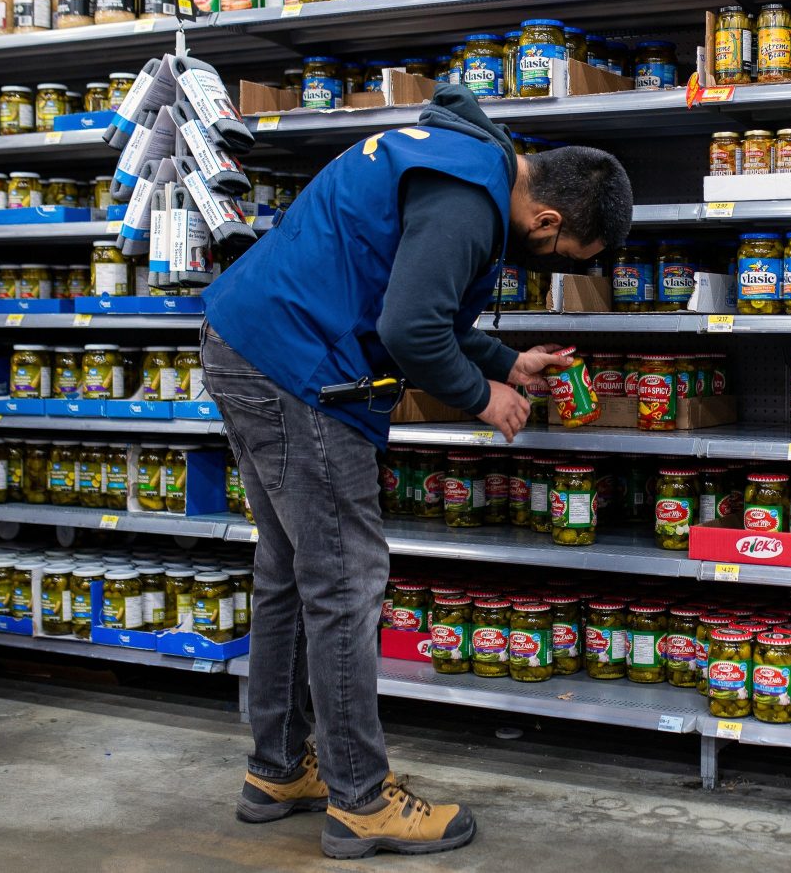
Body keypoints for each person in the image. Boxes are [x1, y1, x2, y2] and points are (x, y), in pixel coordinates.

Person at [199, 83, 632, 859]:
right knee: (345, 583)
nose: (550, 266)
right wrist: (483, 397)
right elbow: (408, 328)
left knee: (290, 573)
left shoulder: (461, 161)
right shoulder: (471, 203)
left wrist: (506, 360)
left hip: (248, 345)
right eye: (568, 260)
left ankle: (277, 769)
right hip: (296, 369)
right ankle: (362, 800)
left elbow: (419, 303)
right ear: (549, 221)